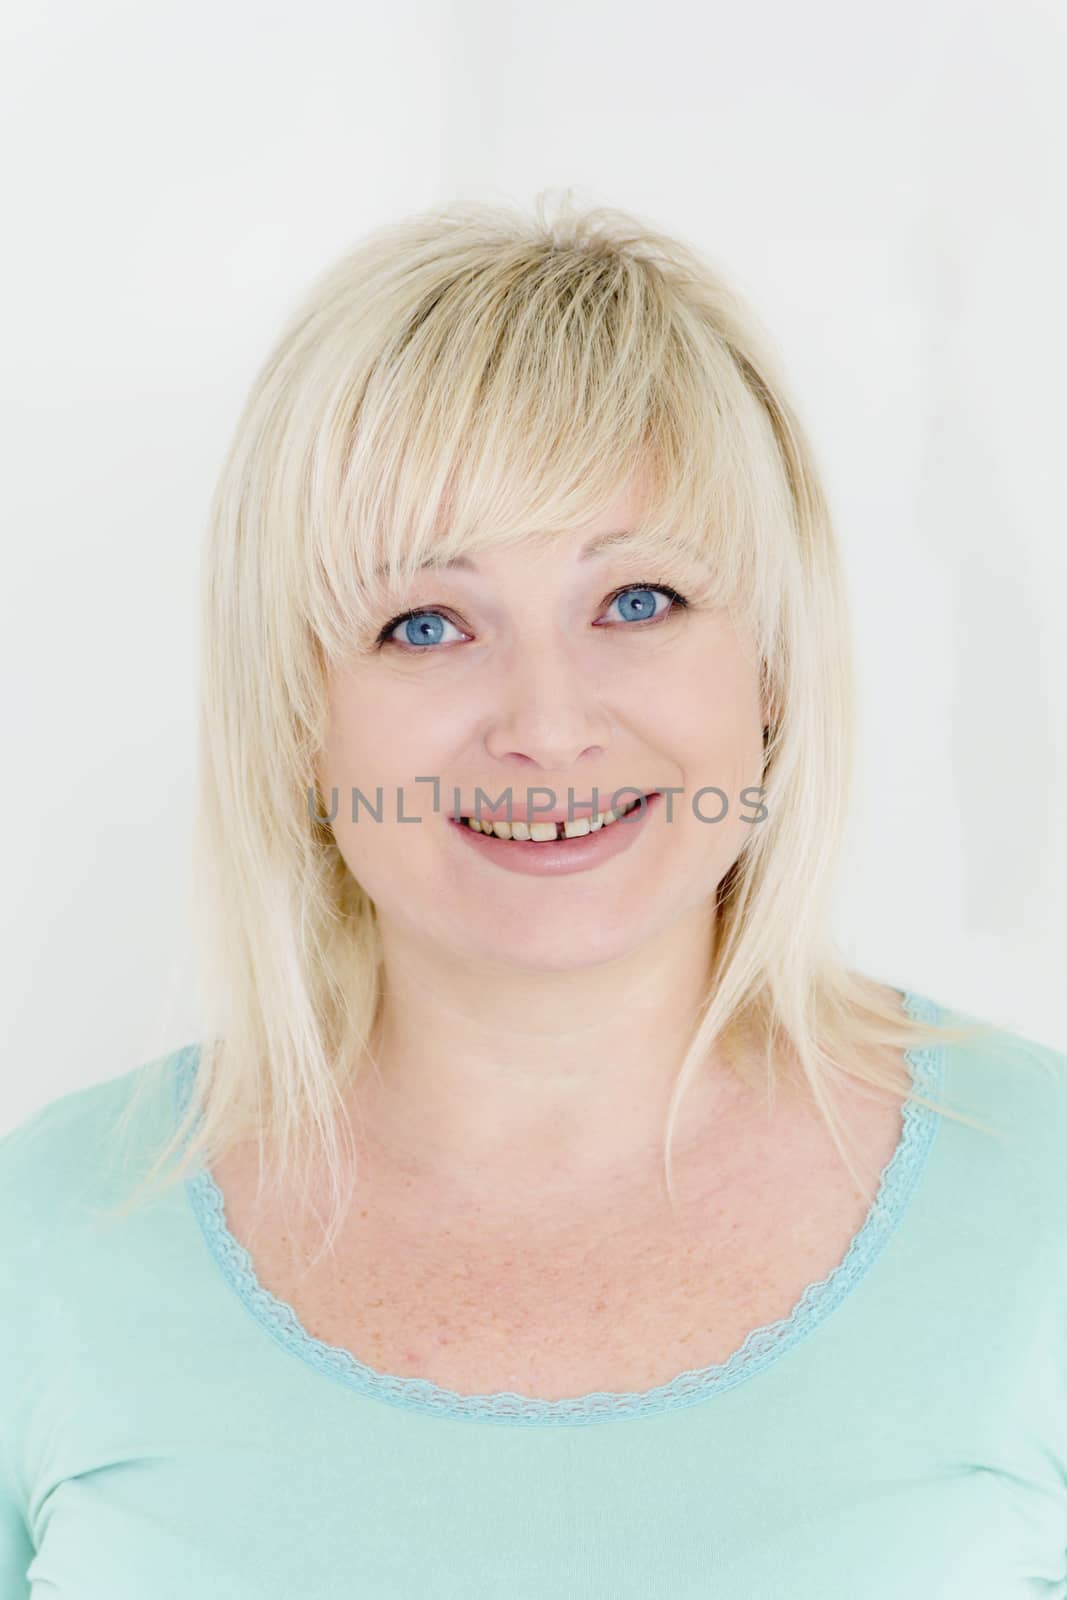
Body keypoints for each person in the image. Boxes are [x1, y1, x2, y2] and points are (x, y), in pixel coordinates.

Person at [2, 193, 1065, 1598]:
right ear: (299, 719)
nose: (547, 729)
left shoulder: (1044, 1202)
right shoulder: (44, 1244)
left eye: (638, 602)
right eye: (425, 623)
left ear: (771, 677)